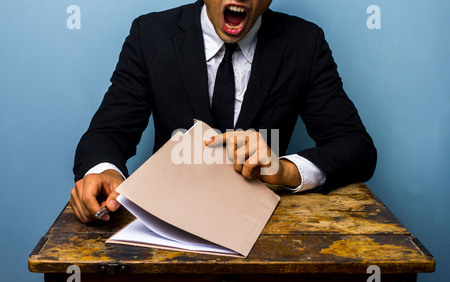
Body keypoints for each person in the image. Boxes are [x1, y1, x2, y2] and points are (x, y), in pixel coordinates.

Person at [70, 0, 377, 224]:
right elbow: (108, 132)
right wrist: (103, 171)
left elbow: (356, 148)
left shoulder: (303, 44)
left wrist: (284, 170)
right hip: (168, 222)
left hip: (265, 227)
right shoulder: (150, 36)